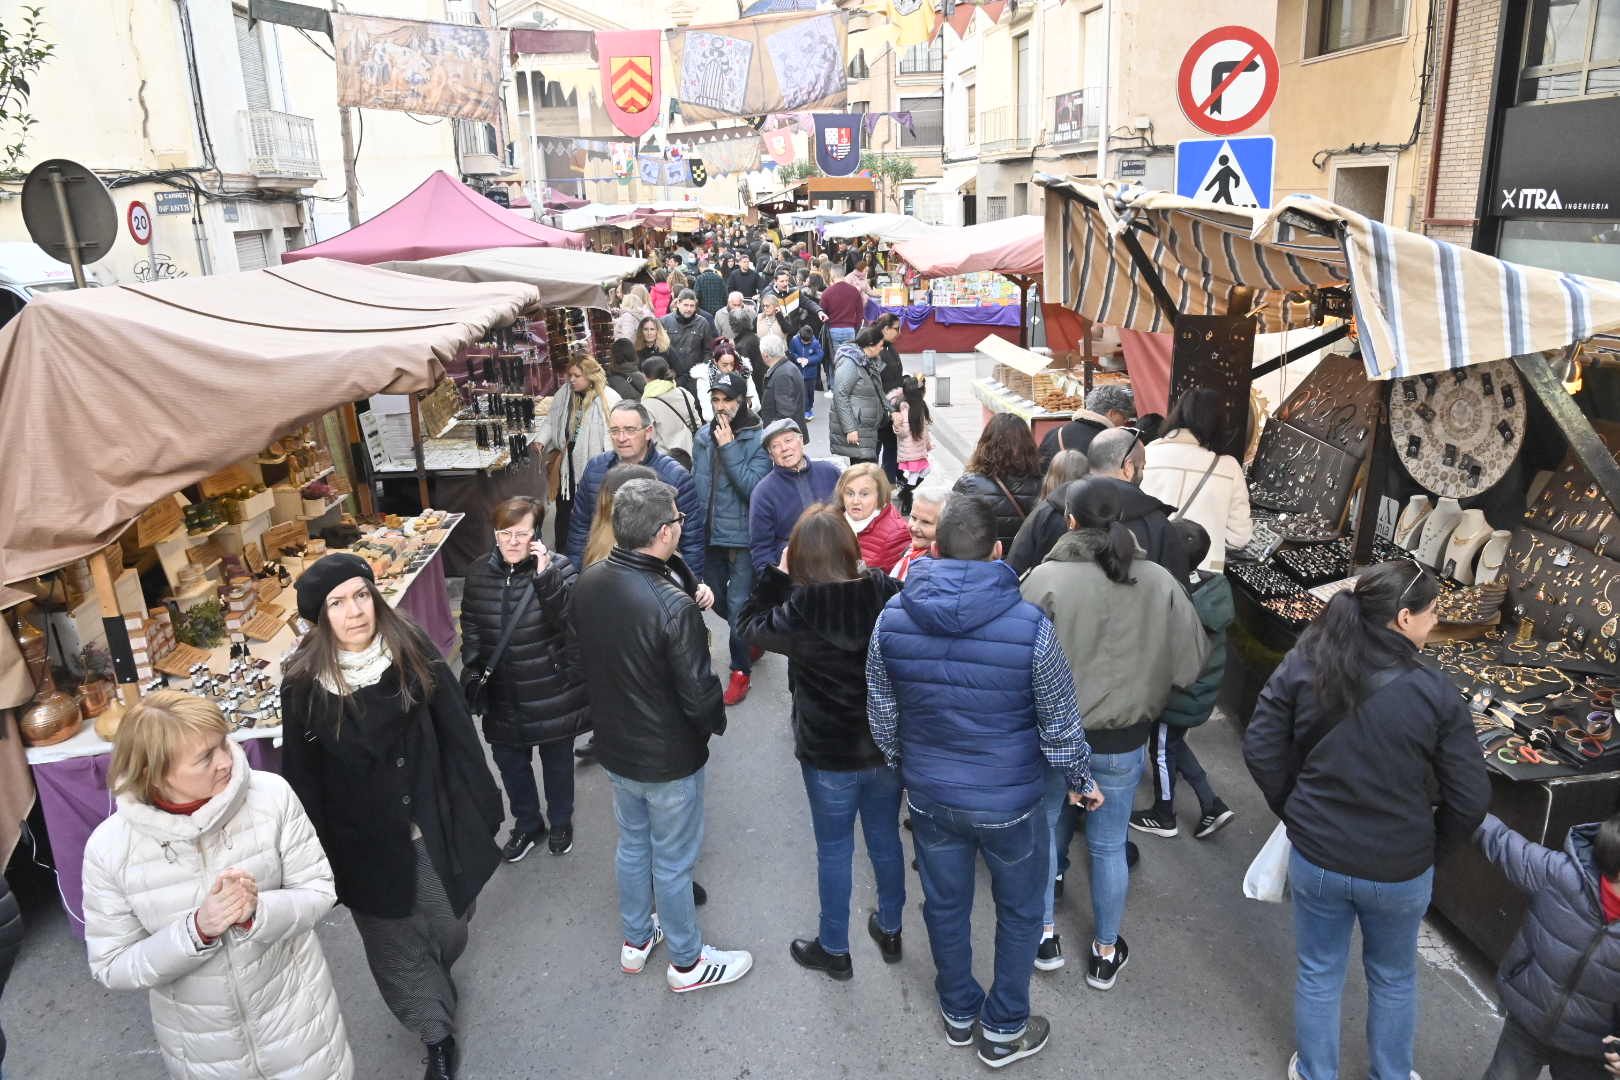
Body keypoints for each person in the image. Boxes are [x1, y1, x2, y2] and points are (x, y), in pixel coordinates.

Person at [866, 496, 1100, 1069]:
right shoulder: (1030, 627)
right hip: (1012, 803)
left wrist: (910, 763)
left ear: (936, 548)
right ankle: (1003, 1027)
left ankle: (958, 1011)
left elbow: (882, 713)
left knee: (945, 906)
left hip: (930, 796)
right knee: (1019, 912)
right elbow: (1059, 719)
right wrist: (1080, 777)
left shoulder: (892, 617)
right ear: (998, 551)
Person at [1243, 560, 1491, 1080]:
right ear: (1404, 618)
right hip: (1399, 866)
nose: (1435, 621)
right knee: (1394, 977)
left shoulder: (1308, 659)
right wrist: (1428, 849)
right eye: (1432, 613)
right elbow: (1469, 798)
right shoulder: (1435, 693)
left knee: (1319, 971)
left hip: (1319, 854)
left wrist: (1295, 811)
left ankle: (1316, 1072)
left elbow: (1262, 746)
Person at [280, 554, 504, 1080]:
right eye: (338, 603)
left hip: (433, 818)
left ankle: (436, 976)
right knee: (395, 947)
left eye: (361, 595)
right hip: (364, 842)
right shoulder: (304, 686)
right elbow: (303, 780)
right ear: (320, 616)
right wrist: (310, 861)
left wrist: (483, 801)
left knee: (452, 923)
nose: (355, 611)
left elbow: (457, 731)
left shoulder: (411, 648)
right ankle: (435, 1033)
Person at [82, 691, 353, 1080]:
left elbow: (319, 890)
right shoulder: (110, 850)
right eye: (205, 757)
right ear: (154, 773)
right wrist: (195, 932)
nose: (226, 761)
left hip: (300, 1030)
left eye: (223, 743)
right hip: (204, 1055)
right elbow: (112, 965)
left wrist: (258, 912)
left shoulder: (271, 797)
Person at [1020, 479, 1207, 990]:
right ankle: (1105, 951)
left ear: (1071, 521)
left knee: (1046, 829)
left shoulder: (1044, 580)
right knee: (1106, 845)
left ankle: (1043, 936)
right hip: (1124, 741)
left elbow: (1016, 662)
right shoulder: (1159, 579)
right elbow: (1190, 663)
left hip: (1053, 736)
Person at [571, 479, 753, 992]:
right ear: (664, 532)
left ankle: (636, 939)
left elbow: (577, 657)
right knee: (673, 862)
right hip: (667, 755)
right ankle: (688, 963)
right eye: (676, 519)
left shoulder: (589, 580)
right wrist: (712, 724)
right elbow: (699, 694)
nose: (680, 525)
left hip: (616, 745)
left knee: (632, 845)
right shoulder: (671, 605)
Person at [737, 507, 906, 982]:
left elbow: (747, 625)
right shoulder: (885, 592)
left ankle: (834, 948)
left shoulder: (800, 611)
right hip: (884, 746)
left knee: (834, 849)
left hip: (828, 754)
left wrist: (776, 575)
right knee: (885, 838)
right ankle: (891, 928)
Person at [460, 497, 589, 862]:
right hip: (502, 691)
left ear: (537, 535)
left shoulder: (560, 569)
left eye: (521, 534)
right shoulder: (477, 572)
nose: (512, 542)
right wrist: (473, 667)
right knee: (511, 764)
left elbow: (573, 625)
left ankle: (561, 821)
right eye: (505, 533)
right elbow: (471, 623)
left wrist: (546, 576)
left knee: (557, 762)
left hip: (550, 687)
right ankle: (528, 823)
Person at [1474, 810, 1620, 1080]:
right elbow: (1501, 841)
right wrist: (1459, 797)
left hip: (1589, 1050)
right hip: (1528, 1021)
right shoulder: (1560, 875)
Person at [1129, 519, 1238, 842]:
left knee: (1162, 750)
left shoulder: (1175, 598)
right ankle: (1211, 804)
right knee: (1173, 742)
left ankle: (1164, 814)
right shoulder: (1214, 587)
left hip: (1177, 693)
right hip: (1199, 691)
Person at [1005, 426, 1189, 582]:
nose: (1142, 473)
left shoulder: (1049, 509)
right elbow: (1177, 599)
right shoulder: (1156, 524)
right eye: (1142, 467)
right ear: (1128, 467)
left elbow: (1014, 574)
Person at [693, 371, 772, 707]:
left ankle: (741, 670)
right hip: (708, 534)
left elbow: (754, 489)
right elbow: (696, 484)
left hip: (741, 536)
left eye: (728, 399)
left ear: (742, 402)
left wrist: (728, 449)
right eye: (716, 400)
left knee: (738, 603)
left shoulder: (757, 438)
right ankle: (750, 635)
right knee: (712, 599)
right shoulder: (701, 436)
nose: (721, 406)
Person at [567, 401, 705, 575]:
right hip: (602, 577)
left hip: (657, 580)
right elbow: (580, 529)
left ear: (648, 432)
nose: (621, 438)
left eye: (630, 430)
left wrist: (692, 585)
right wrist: (576, 577)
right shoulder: (595, 468)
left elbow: (691, 540)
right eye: (615, 430)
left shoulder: (675, 476)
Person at [1139, 387, 1253, 571]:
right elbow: (1240, 537)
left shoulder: (1147, 454)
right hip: (1204, 570)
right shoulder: (1228, 467)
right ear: (1218, 423)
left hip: (1150, 564)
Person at [541, 356, 620, 554]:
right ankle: (564, 555)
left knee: (594, 513)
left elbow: (613, 435)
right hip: (568, 466)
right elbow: (552, 420)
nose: (572, 380)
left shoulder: (608, 398)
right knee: (566, 512)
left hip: (595, 466)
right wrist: (540, 440)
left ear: (590, 376)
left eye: (577, 376)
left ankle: (595, 555)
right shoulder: (564, 394)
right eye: (570, 375)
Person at [750, 419, 843, 570]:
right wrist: (777, 583)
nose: (784, 448)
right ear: (770, 454)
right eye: (775, 446)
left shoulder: (830, 472)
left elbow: (852, 520)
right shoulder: (763, 493)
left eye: (788, 440)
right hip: (797, 573)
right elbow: (761, 549)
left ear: (801, 441)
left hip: (838, 564)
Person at [951, 413, 1043, 550]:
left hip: (983, 562)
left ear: (985, 443)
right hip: (1024, 565)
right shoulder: (1043, 484)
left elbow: (951, 527)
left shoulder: (969, 484)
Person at [1037, 385, 1133, 472]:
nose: (1124, 422)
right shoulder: (1109, 444)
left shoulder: (1053, 433)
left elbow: (1040, 472)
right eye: (1124, 417)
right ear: (1112, 413)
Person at [837, 462, 910, 574]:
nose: (855, 501)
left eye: (864, 494)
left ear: (880, 495)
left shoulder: (897, 534)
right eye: (850, 493)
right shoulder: (833, 519)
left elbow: (894, 585)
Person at [831, 326, 888, 465]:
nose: (882, 349)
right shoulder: (850, 363)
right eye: (880, 345)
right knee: (864, 474)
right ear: (870, 345)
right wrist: (850, 429)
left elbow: (878, 391)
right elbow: (840, 395)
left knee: (866, 472)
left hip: (867, 428)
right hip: (858, 429)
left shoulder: (868, 361)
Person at [639, 356, 704, 467]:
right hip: (693, 455)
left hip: (666, 461)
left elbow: (650, 437)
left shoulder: (647, 403)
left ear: (647, 377)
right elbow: (697, 423)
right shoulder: (683, 392)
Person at [893, 375, 934, 517]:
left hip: (912, 450)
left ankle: (906, 494)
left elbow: (904, 432)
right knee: (919, 473)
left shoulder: (908, 409)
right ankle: (906, 496)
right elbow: (921, 431)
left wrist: (896, 426)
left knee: (919, 473)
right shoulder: (916, 408)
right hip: (913, 450)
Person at [662, 289, 717, 394]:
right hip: (672, 377)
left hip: (694, 377)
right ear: (678, 303)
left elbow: (708, 351)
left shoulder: (702, 323)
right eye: (686, 305)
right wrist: (665, 370)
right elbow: (660, 349)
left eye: (692, 306)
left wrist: (702, 371)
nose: (689, 309)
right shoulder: (665, 322)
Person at [693, 339, 762, 419]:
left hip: (746, 421)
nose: (729, 368)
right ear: (716, 361)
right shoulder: (704, 378)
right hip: (720, 425)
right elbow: (708, 415)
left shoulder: (744, 371)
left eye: (732, 364)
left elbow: (756, 404)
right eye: (724, 365)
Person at [873, 313, 905, 483]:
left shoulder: (889, 347)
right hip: (880, 409)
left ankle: (889, 482)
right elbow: (875, 382)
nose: (899, 332)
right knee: (875, 449)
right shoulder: (876, 349)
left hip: (892, 408)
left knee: (891, 447)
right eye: (896, 328)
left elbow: (894, 375)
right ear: (885, 329)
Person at [891, 489, 945, 581]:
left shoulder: (934, 571)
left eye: (926, 522)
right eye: (913, 518)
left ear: (947, 526)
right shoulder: (912, 549)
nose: (914, 528)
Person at [759, 333, 807, 432]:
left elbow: (785, 413)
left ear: (765, 355)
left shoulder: (782, 375)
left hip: (783, 436)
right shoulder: (787, 368)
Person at [819, 266, 865, 355]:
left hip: (833, 329)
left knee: (836, 357)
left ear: (832, 275)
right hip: (850, 329)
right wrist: (857, 328)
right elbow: (860, 312)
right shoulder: (854, 291)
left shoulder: (826, 292)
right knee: (849, 357)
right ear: (843, 274)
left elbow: (822, 312)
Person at [788, 323, 825, 418]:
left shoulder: (815, 343)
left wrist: (808, 360)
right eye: (803, 341)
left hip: (811, 374)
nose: (805, 343)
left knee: (810, 392)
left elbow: (820, 356)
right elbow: (791, 352)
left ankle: (809, 407)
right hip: (798, 372)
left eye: (807, 342)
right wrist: (797, 359)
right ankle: (805, 410)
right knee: (802, 392)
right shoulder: (794, 340)